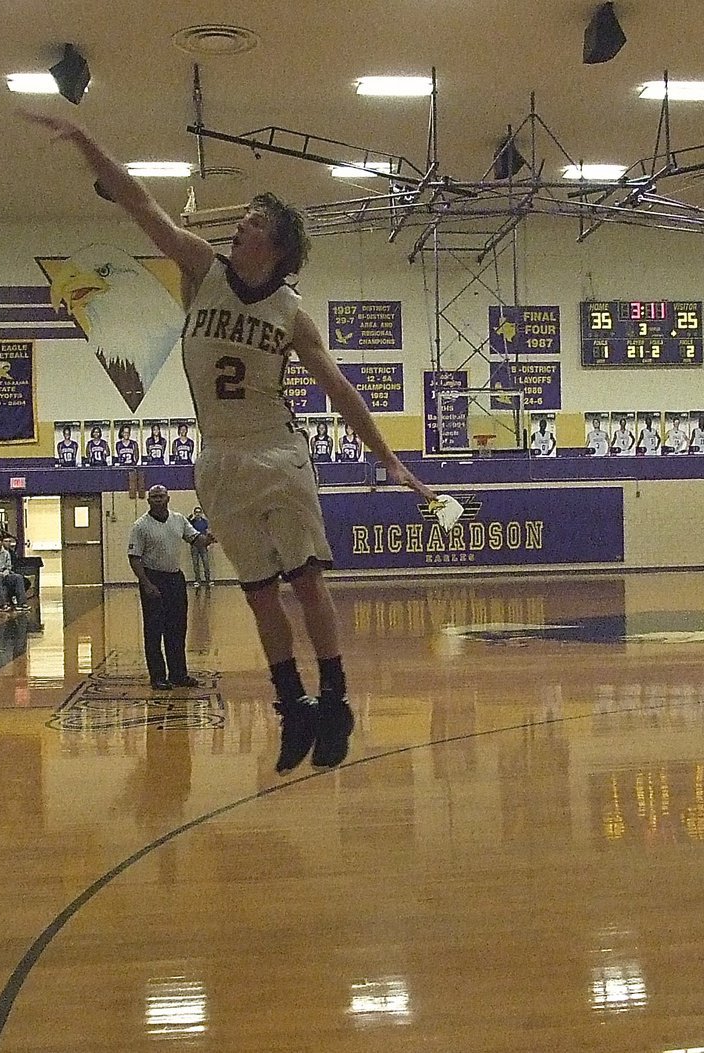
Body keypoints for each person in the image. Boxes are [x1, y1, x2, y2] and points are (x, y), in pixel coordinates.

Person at [30, 110, 437, 772]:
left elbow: (339, 389)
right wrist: (87, 144)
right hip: (218, 455)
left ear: (274, 246)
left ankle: (335, 698)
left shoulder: (291, 313)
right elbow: (140, 204)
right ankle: (292, 705)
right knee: (257, 591)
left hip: (276, 449)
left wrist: (389, 459)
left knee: (306, 581)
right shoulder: (202, 265)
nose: (240, 225)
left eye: (252, 222)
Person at [128, 485, 211, 690]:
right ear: (148, 500)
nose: (158, 499)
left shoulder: (179, 520)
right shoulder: (140, 526)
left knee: (177, 628)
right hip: (153, 579)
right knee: (154, 630)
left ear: (168, 498)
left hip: (175, 579)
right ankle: (157, 676)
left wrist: (209, 537)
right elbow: (134, 558)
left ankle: (178, 674)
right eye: (154, 496)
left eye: (161, 496)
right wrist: (146, 584)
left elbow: (197, 540)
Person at [187, 505, 213, 587]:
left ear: (201, 513)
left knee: (206, 563)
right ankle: (198, 580)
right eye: (196, 512)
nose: (197, 514)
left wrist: (208, 543)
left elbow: (208, 532)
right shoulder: (192, 522)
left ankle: (208, 580)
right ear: (194, 513)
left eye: (199, 512)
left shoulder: (205, 522)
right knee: (195, 563)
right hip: (194, 545)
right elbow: (188, 531)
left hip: (203, 545)